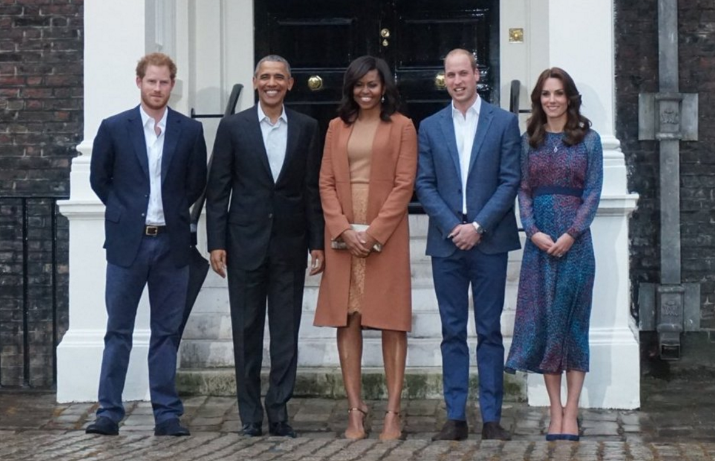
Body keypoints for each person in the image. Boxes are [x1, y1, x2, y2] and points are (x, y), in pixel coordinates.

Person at [86, 53, 207, 437]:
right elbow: (99, 178)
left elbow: (196, 182)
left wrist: (171, 212)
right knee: (118, 330)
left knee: (166, 332)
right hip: (127, 245)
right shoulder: (114, 128)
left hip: (171, 243)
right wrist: (125, 212)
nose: (158, 89)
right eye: (151, 81)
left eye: (164, 82)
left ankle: (167, 413)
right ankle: (108, 411)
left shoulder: (189, 132)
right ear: (139, 82)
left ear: (173, 85)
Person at [205, 55, 324, 438]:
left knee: (286, 333)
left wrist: (317, 242)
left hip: (290, 244)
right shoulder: (233, 127)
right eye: (265, 77)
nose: (272, 83)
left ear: (290, 83)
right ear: (255, 82)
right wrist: (216, 242)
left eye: (279, 77)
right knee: (246, 331)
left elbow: (310, 189)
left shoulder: (307, 128)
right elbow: (218, 189)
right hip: (244, 244)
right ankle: (250, 416)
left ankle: (279, 411)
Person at [415, 49, 520, 441]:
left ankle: (492, 417)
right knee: (452, 330)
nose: (457, 81)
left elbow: (510, 180)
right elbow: (423, 183)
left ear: (478, 75)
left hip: (489, 241)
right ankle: (455, 415)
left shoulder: (504, 122)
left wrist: (477, 225)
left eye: (463, 73)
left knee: (490, 330)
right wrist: (451, 226)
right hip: (447, 244)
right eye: (450, 75)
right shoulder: (429, 126)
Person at [314, 55, 417, 441]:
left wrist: (373, 233)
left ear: (384, 86)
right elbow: (324, 182)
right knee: (349, 316)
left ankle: (392, 411)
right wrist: (342, 227)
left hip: (384, 232)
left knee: (390, 320)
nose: (365, 91)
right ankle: (355, 410)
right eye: (359, 85)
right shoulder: (336, 127)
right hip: (343, 232)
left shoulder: (403, 127)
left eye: (372, 84)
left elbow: (405, 184)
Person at [505, 67, 603, 442]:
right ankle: (555, 410)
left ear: (569, 98)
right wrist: (533, 232)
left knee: (573, 326)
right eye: (546, 94)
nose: (552, 100)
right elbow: (524, 191)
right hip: (540, 246)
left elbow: (593, 193)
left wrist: (571, 233)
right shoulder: (529, 140)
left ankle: (573, 411)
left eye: (558, 93)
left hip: (576, 247)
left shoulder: (589, 141)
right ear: (538, 100)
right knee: (546, 325)